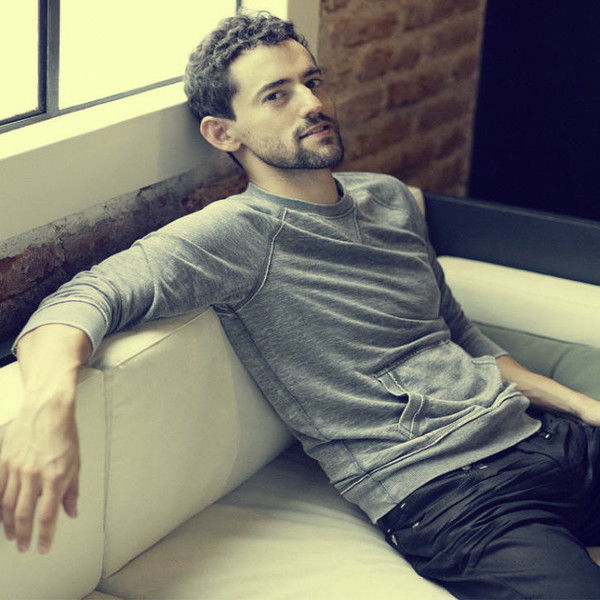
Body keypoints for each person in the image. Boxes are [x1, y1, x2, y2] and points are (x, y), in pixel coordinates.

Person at [2, 11, 600, 599]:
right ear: (223, 133)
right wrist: (47, 411)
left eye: (312, 82)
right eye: (277, 95)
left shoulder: (389, 199)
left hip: (540, 433)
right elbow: (81, 299)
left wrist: (582, 405)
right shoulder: (235, 237)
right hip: (451, 492)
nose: (312, 104)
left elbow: (461, 337)